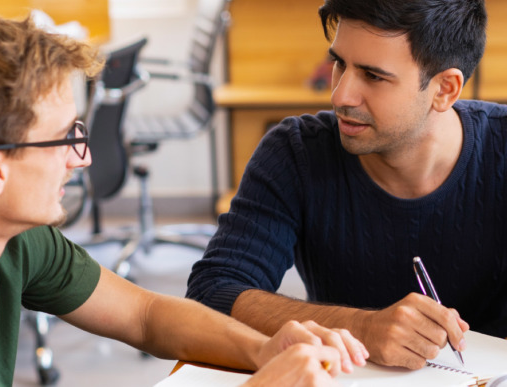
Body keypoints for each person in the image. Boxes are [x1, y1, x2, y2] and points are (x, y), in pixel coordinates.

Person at [0, 13, 368, 386]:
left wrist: (260, 352)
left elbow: (146, 314)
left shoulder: (7, 237)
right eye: (66, 139)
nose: (81, 158)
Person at [186, 0, 499, 371]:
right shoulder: (295, 153)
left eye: (373, 76)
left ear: (444, 89)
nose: (340, 96)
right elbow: (212, 293)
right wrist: (362, 327)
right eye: (339, 64)